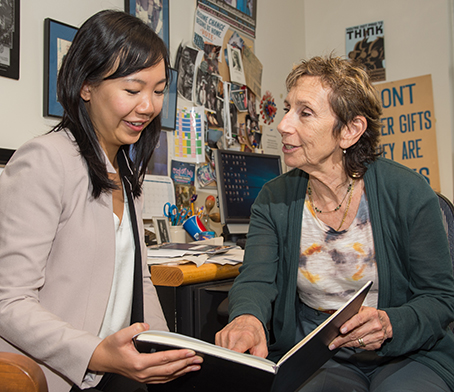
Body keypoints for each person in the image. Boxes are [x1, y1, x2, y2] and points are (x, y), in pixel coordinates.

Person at [216, 55, 454, 391]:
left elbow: (440, 298)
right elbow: (256, 280)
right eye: (287, 109)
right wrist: (247, 319)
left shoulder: (410, 192)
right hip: (320, 353)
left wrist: (389, 324)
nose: (284, 125)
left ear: (350, 131)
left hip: (408, 353)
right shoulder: (273, 198)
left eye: (305, 113)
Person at [0, 10, 202, 392]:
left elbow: (139, 279)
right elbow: (8, 301)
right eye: (133, 89)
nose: (148, 106)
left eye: (158, 91)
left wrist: (167, 353)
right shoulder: (45, 160)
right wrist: (96, 353)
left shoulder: (124, 171)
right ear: (86, 86)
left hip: (111, 373)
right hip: (52, 376)